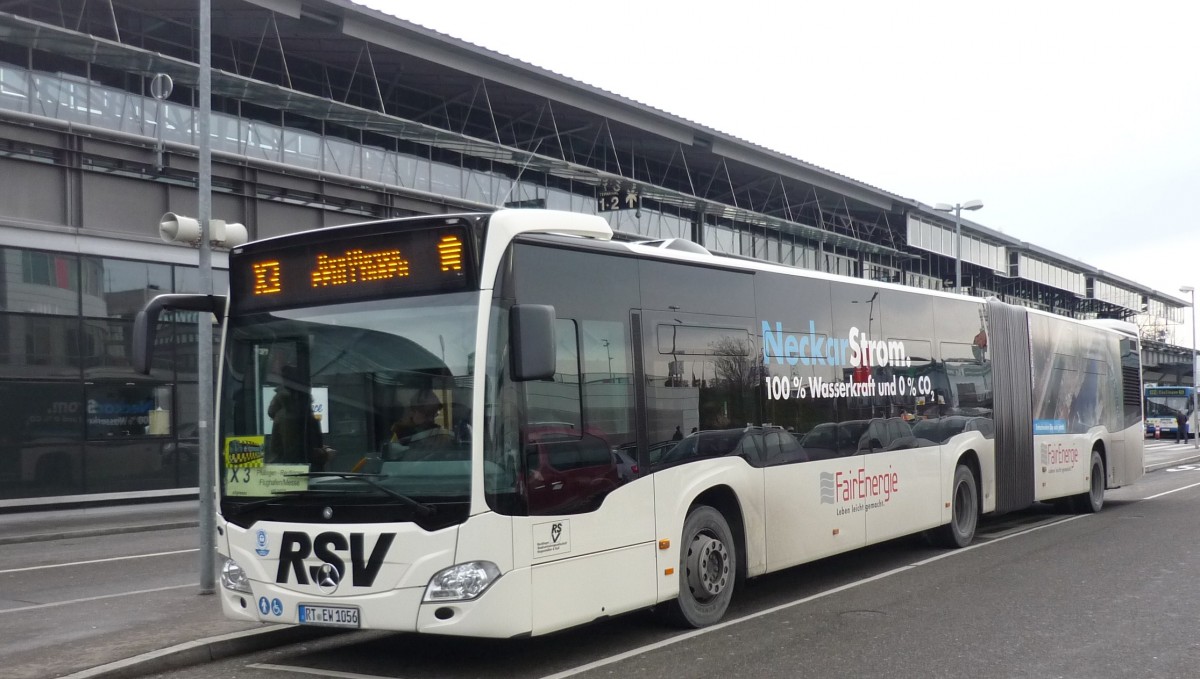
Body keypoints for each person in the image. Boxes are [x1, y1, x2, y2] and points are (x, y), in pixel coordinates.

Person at [266, 366, 334, 471]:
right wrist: (325, 453)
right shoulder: (291, 415)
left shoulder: (286, 411)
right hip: (299, 476)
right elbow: (296, 453)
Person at [390, 388, 454, 459]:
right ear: (412, 411)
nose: (431, 419)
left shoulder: (439, 434)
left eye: (434, 413)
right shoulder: (398, 432)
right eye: (426, 413)